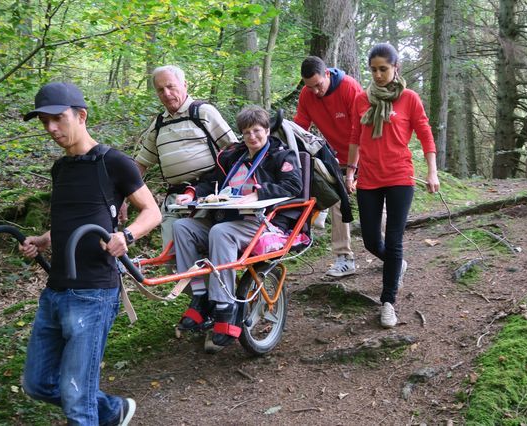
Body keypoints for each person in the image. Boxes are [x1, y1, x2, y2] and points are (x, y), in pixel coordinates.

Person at [19, 82, 161, 425]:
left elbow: (152, 213)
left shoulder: (114, 162)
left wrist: (126, 235)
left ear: (80, 116)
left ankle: (98, 412)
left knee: (77, 400)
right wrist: (43, 239)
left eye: (57, 118)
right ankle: (114, 411)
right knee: (37, 383)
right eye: (44, 121)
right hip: (55, 291)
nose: (51, 128)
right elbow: (74, 220)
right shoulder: (61, 169)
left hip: (93, 293)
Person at [172, 106, 302, 347]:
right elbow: (210, 180)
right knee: (182, 227)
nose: (252, 137)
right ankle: (200, 296)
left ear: (267, 130)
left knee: (220, 233)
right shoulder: (233, 155)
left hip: (262, 223)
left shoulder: (281, 156)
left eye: (257, 131)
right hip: (224, 218)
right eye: (246, 132)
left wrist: (258, 193)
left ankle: (224, 307)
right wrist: (190, 193)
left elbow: (294, 186)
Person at [347, 43, 440, 328]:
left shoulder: (409, 98)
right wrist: (350, 172)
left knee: (395, 240)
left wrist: (432, 172)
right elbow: (354, 137)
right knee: (371, 240)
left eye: (383, 69)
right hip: (369, 179)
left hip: (400, 176)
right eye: (373, 69)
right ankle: (396, 264)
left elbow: (425, 135)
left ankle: (388, 302)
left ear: (395, 67)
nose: (378, 75)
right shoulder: (362, 100)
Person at [133, 65, 238, 251]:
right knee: (171, 255)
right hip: (174, 199)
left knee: (202, 255)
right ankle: (184, 280)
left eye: (171, 86)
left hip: (206, 196)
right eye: (160, 89)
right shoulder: (159, 124)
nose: (166, 93)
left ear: (184, 85)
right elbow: (141, 163)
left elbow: (233, 150)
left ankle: (211, 281)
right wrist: (124, 194)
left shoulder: (203, 112)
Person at [294, 56, 363, 278]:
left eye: (318, 85)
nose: (314, 91)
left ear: (327, 74)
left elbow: (360, 130)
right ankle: (344, 257)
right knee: (337, 201)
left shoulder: (349, 87)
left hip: (365, 154)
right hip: (336, 159)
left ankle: (387, 251)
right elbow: (300, 128)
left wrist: (353, 170)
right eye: (309, 86)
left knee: (375, 207)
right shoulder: (307, 95)